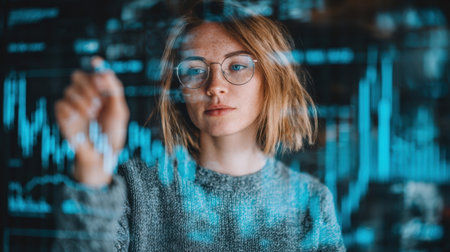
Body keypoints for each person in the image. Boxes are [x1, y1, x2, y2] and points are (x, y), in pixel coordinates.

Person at [53, 0, 346, 251]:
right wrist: (91, 173)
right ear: (179, 89)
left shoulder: (311, 201)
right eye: (195, 70)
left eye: (237, 66)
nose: (215, 87)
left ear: (270, 80)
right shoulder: (134, 187)